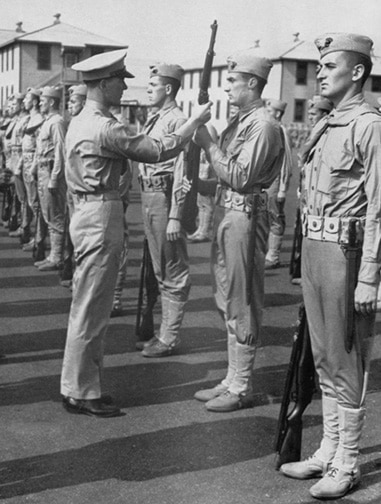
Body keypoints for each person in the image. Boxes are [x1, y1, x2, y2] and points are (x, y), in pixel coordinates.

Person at [60, 49, 212, 418]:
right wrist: (193, 123)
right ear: (104, 83)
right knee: (92, 307)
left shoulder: (80, 120)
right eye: (120, 80)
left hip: (86, 211)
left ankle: (81, 385)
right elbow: (158, 149)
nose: (125, 85)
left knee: (88, 303)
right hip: (101, 213)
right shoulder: (105, 125)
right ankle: (81, 390)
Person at [279, 33, 381, 500]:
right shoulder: (328, 125)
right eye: (318, 65)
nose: (319, 73)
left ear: (357, 72)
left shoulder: (368, 125)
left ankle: (348, 462)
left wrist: (369, 277)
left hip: (348, 254)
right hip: (319, 249)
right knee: (323, 358)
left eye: (329, 65)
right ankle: (328, 449)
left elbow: (380, 207)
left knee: (348, 359)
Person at [193, 48, 284, 412]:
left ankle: (243, 384)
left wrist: (209, 144)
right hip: (227, 212)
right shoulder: (242, 121)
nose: (227, 86)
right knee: (226, 296)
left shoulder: (262, 125)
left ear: (252, 82)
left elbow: (241, 177)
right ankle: (232, 377)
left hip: (245, 217)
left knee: (243, 299)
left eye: (232, 80)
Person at [138, 62, 191, 358]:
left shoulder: (178, 120)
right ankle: (162, 332)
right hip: (150, 195)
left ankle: (169, 337)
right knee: (159, 267)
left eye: (152, 85)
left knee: (172, 268)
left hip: (165, 197)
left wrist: (175, 215)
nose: (147, 90)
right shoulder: (156, 119)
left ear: (168, 89)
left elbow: (184, 171)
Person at [33, 86, 67, 272]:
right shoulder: (48, 122)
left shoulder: (57, 123)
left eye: (43, 101)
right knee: (47, 213)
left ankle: (57, 257)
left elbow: (61, 151)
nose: (40, 104)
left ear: (52, 102)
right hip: (42, 171)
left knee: (55, 215)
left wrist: (55, 177)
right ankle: (53, 255)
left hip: (51, 172)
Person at [60, 84, 87, 288]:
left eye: (73, 101)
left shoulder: (89, 125)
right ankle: (74, 272)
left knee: (84, 238)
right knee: (72, 233)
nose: (69, 105)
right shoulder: (73, 124)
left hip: (87, 192)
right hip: (72, 188)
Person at [264, 98, 294, 269]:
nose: (266, 114)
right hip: (265, 180)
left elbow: (286, 161)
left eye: (269, 111)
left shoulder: (282, 130)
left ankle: (273, 255)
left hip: (275, 181)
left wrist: (283, 188)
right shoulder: (269, 129)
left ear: (277, 113)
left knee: (275, 216)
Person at [21, 88, 45, 256]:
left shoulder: (39, 120)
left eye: (27, 99)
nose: (24, 102)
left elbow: (39, 147)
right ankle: (36, 237)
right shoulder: (30, 119)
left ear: (35, 102)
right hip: (26, 160)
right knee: (31, 202)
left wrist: (34, 166)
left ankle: (39, 239)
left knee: (36, 204)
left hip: (33, 163)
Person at [187, 124, 219, 243]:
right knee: (200, 204)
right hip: (201, 176)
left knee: (207, 204)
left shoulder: (209, 149)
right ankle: (200, 229)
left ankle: (204, 231)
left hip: (206, 177)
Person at [8, 93, 32, 244]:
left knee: (24, 198)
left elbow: (26, 146)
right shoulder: (17, 121)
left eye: (15, 104)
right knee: (17, 196)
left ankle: (25, 228)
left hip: (22, 160)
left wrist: (19, 164)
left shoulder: (27, 120)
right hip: (14, 157)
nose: (12, 107)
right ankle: (22, 224)